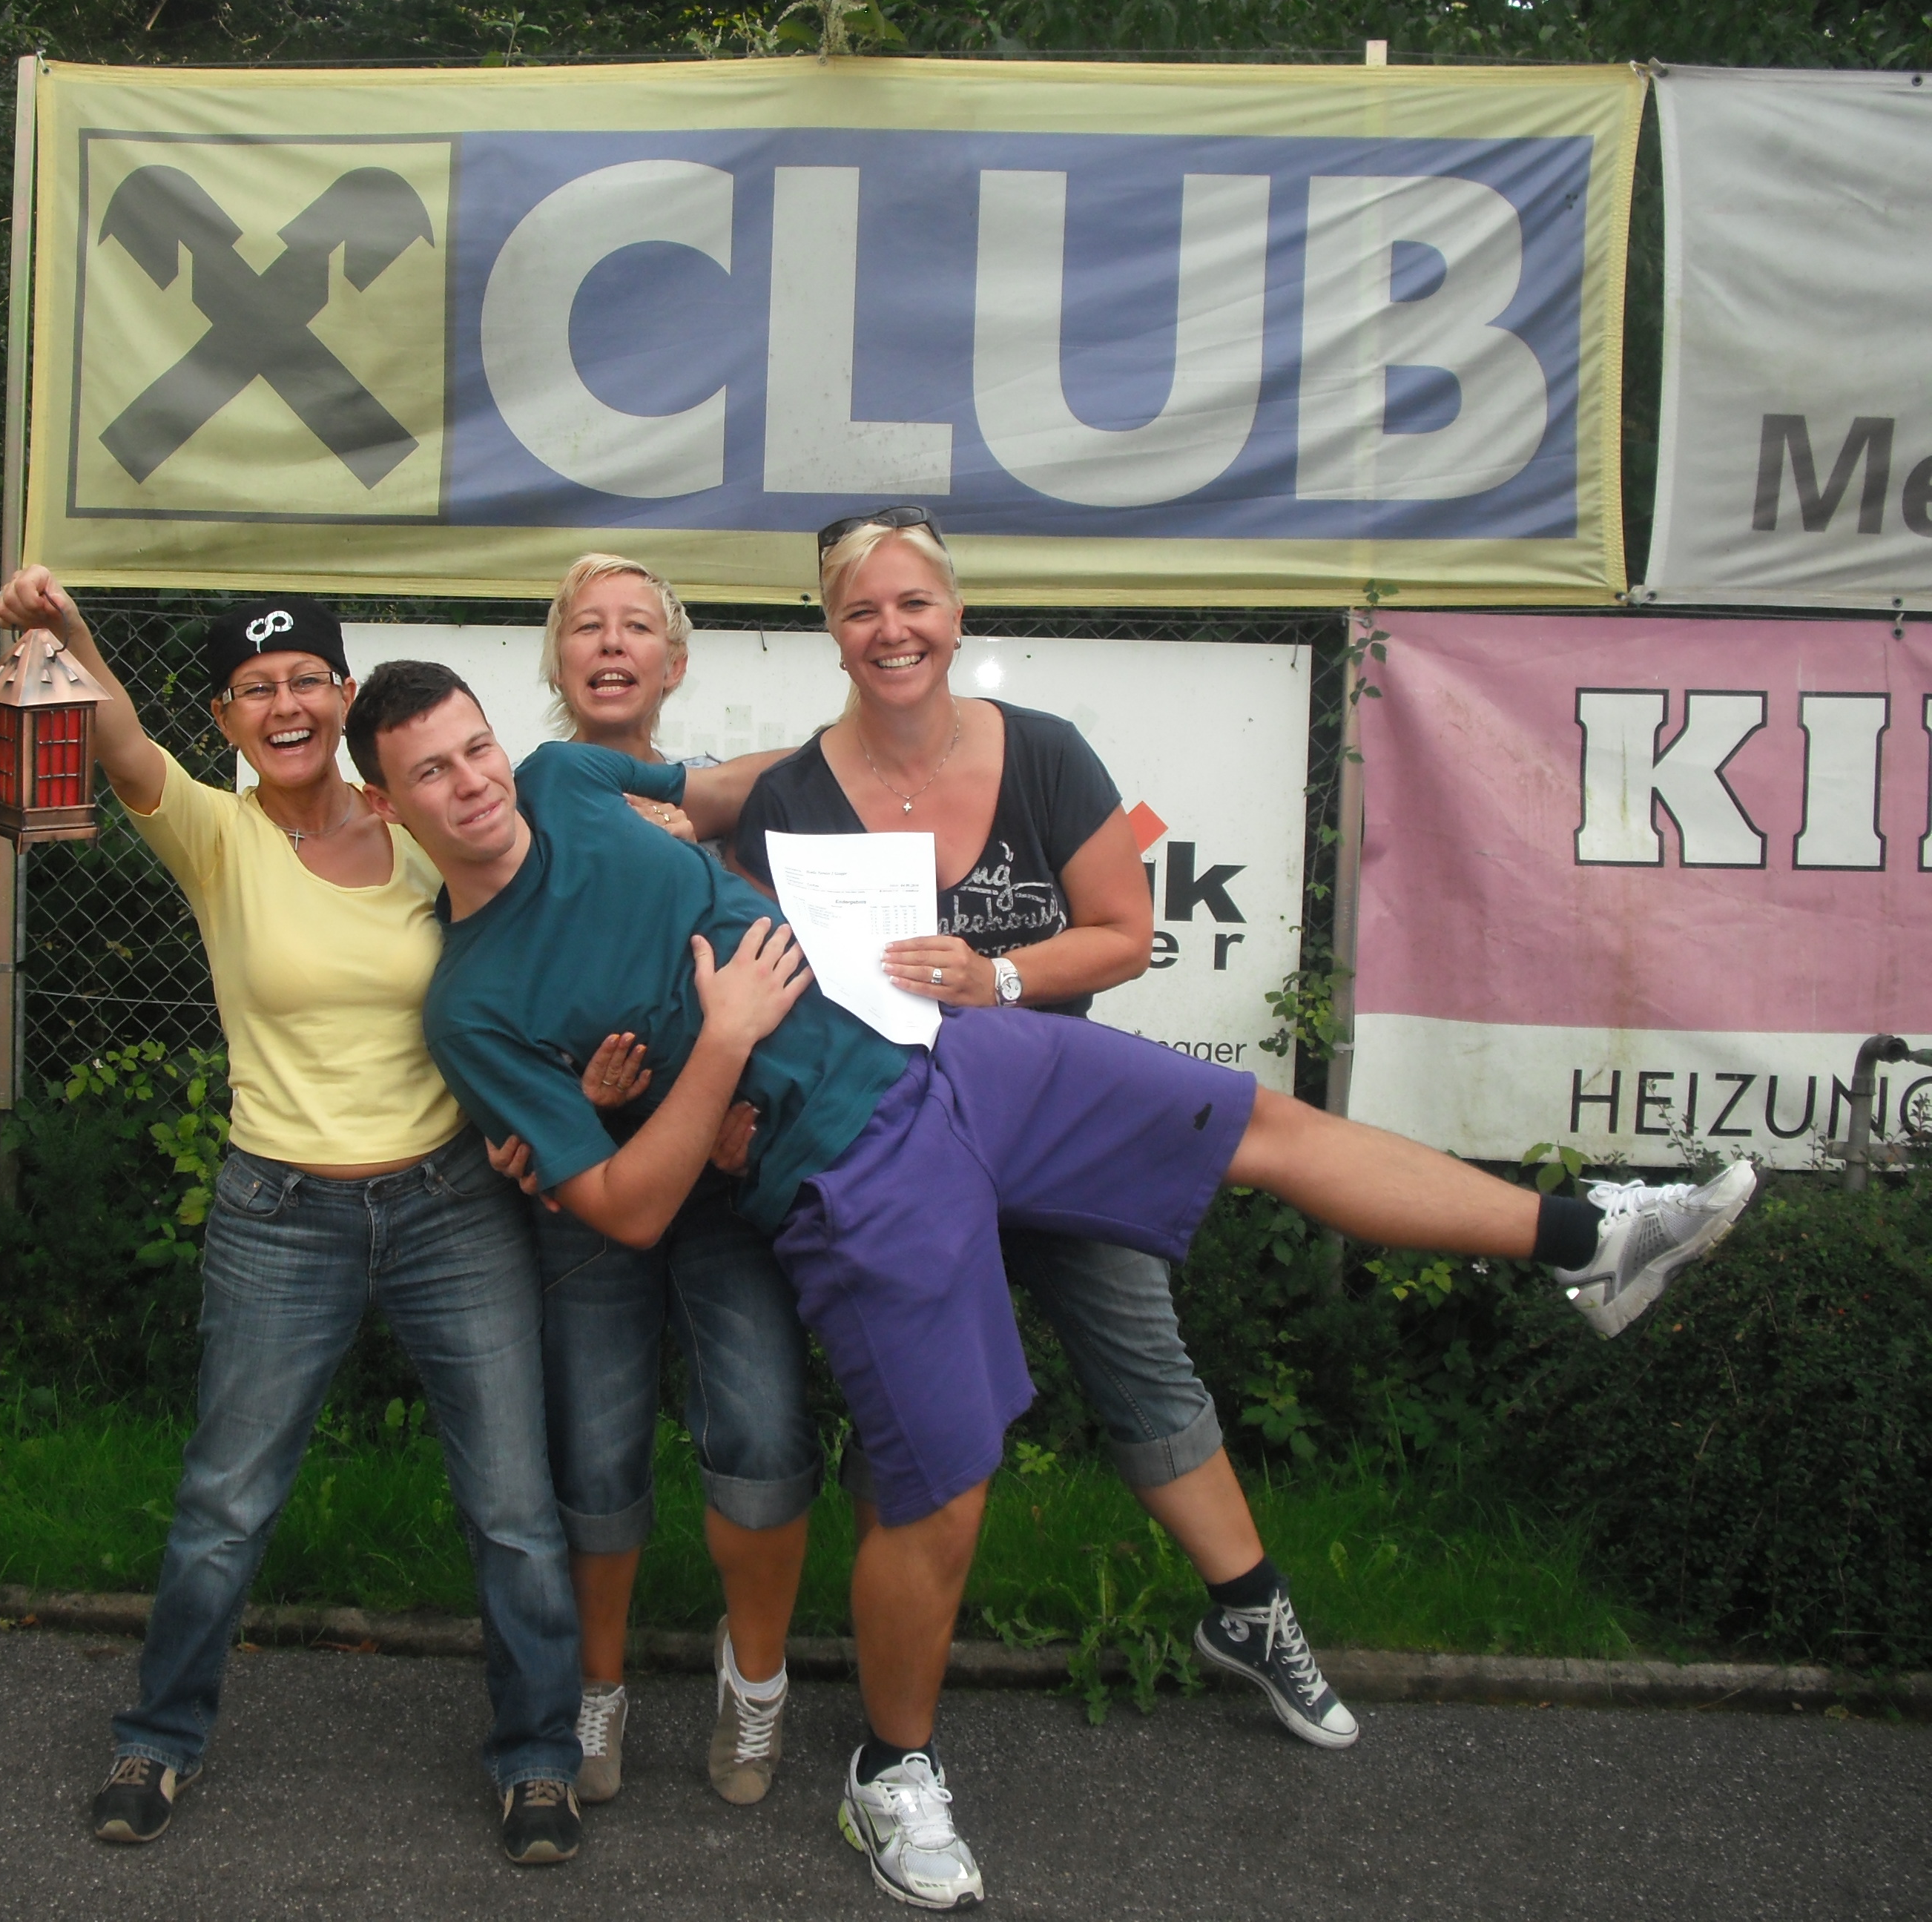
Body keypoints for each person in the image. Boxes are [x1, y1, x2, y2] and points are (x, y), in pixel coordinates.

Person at [342, 658, 1756, 1914]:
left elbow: (736, 782)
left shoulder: (568, 779)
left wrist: (838, 762)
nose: (474, 784)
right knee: (944, 1484)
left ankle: (1589, 1240)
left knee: (1259, 1125)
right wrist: (720, 1042)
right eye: (432, 774)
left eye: (476, 748)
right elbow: (627, 1208)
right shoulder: (473, 1001)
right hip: (848, 1172)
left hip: (952, 1050)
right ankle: (892, 1774)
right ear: (387, 805)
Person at [0, 568, 586, 1867]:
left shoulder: (422, 824)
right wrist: (64, 632)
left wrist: (544, 1107)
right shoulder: (217, 837)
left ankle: (541, 1758)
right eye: (254, 690)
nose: (285, 704)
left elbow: (530, 962)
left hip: (451, 1205)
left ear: (344, 694)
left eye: (306, 679)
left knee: (512, 1505)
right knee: (225, 1503)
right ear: (226, 720)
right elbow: (115, 737)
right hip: (280, 1212)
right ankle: (159, 1736)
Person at [733, 507, 1351, 1750]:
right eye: (862, 610)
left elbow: (1124, 933)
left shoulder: (1047, 752)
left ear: (957, 615)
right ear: (832, 632)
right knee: (912, 1410)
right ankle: (889, 1668)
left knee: (1144, 1359)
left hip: (1054, 1122)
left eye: (914, 603)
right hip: (896, 1145)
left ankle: (1252, 1608)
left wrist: (999, 975)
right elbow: (768, 982)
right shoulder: (789, 794)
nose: (892, 630)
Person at [507, 552, 818, 1809]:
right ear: (558, 659)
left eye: (638, 626)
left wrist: (747, 1114)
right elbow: (489, 992)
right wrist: (556, 1110)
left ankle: (757, 1686)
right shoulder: (514, 810)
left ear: (675, 664)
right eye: (587, 626)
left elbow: (785, 979)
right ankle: (597, 1690)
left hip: (728, 1189)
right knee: (593, 1450)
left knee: (762, 1431)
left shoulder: (729, 813)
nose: (612, 643)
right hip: (592, 1183)